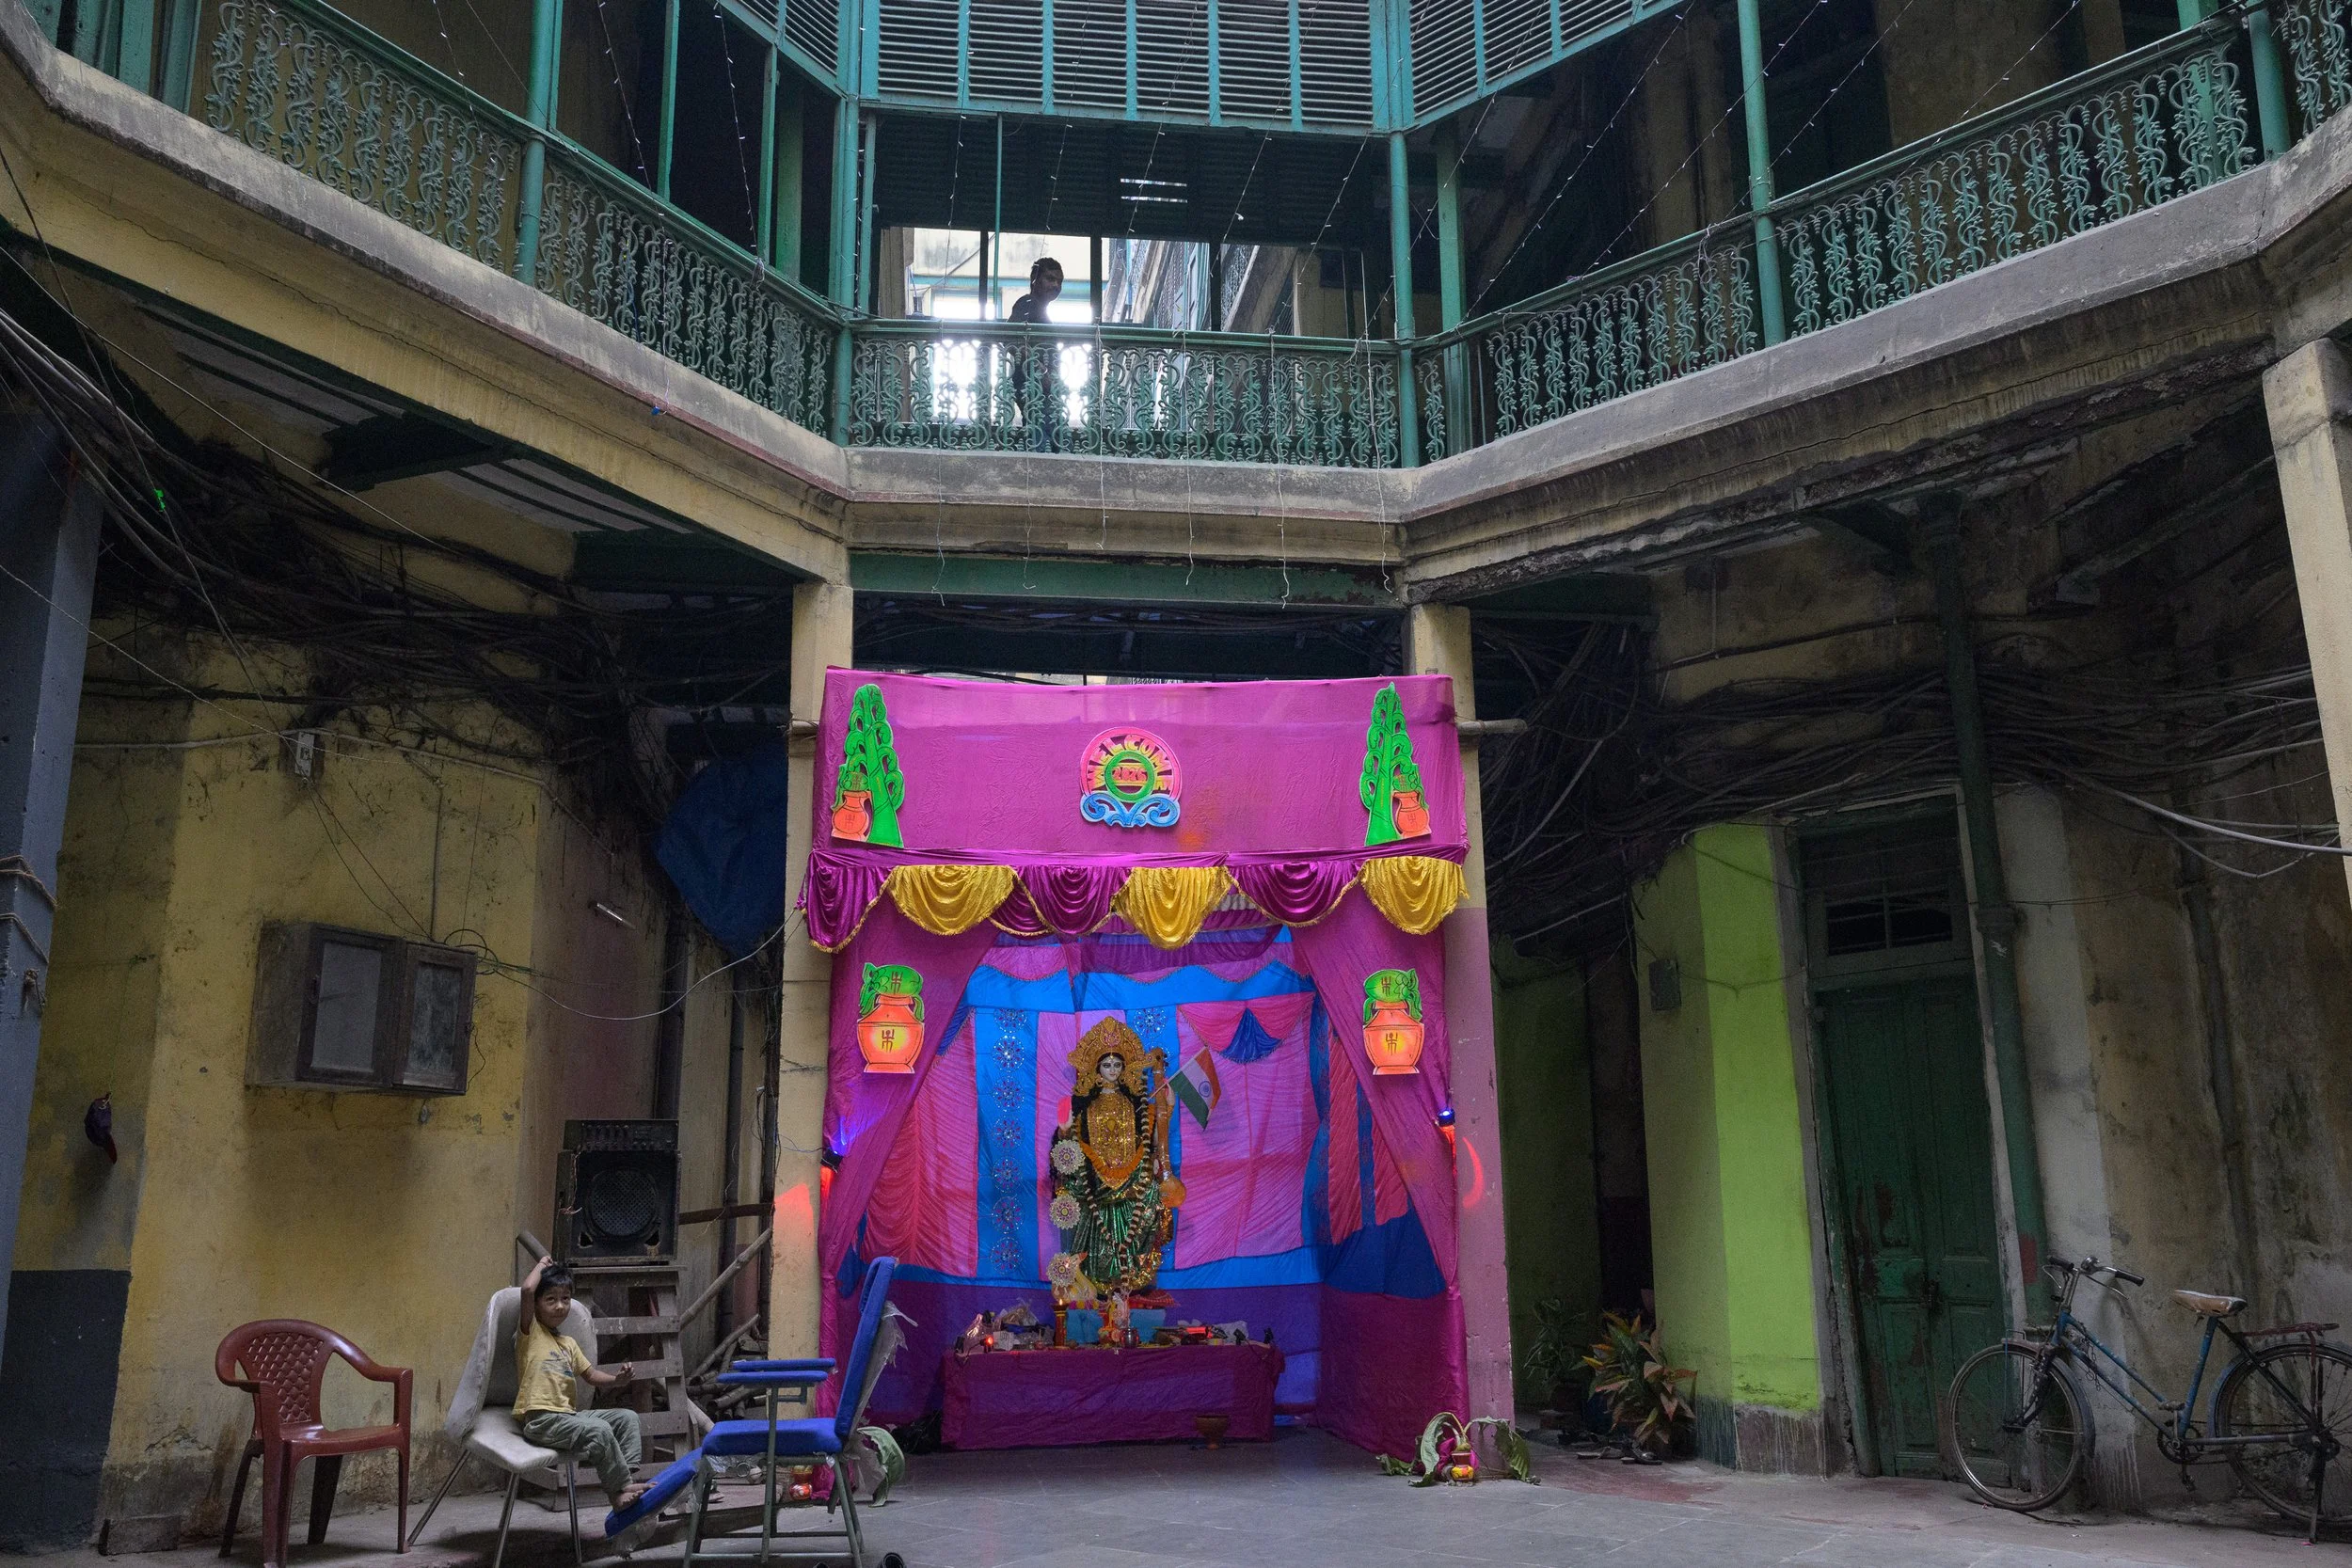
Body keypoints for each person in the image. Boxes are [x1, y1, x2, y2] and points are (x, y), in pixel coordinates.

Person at [516, 1255, 647, 1511]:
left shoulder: (568, 1344)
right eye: (551, 1300)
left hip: (568, 1417)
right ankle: (616, 1494)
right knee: (600, 1430)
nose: (560, 1306)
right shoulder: (530, 1332)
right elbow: (527, 1290)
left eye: (565, 1299)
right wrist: (542, 1264)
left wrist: (617, 1380)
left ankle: (625, 1481)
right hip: (542, 1421)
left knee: (628, 1418)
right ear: (537, 1305)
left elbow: (591, 1375)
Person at [1006, 257, 1064, 449]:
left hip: (1042, 388)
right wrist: (1041, 370)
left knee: (1053, 437)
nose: (1056, 285)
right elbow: (1011, 338)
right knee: (1043, 437)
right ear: (1035, 280)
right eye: (1050, 279)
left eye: (1059, 281)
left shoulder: (1038, 308)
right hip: (1032, 386)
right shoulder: (1028, 303)